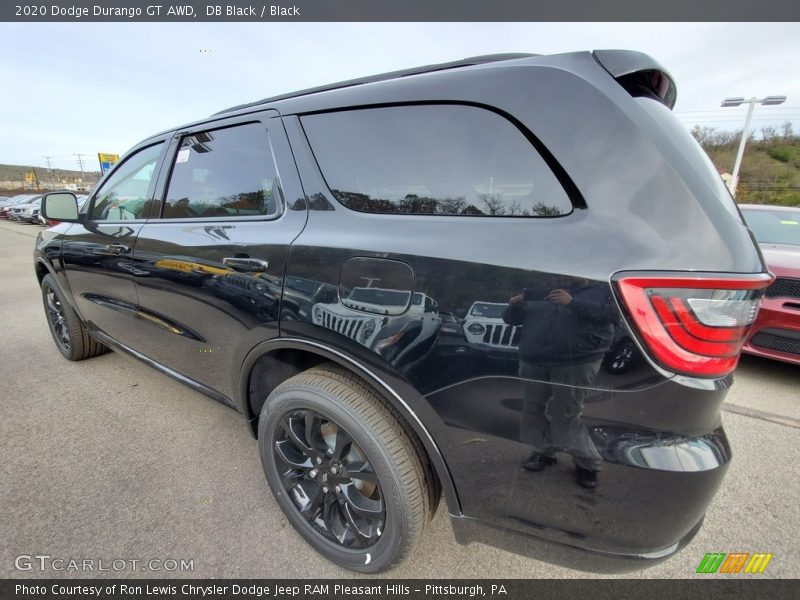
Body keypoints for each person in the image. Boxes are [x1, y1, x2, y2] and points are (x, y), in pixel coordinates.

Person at [503, 279, 617, 488]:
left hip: (577, 360)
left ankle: (587, 464)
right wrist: (513, 305)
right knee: (532, 409)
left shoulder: (602, 289)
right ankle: (543, 451)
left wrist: (572, 302)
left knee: (566, 412)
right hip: (534, 358)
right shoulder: (541, 289)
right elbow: (511, 321)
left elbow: (613, 316)